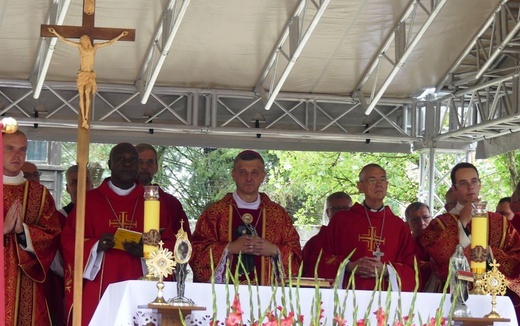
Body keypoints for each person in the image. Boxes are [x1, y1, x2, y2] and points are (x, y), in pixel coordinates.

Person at [60, 143, 176, 325]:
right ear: (109, 164)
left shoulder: (153, 201)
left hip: (141, 284)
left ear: (138, 166)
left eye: (132, 160)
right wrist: (96, 245)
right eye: (121, 159)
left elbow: (169, 245)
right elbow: (68, 240)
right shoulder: (89, 201)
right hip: (98, 287)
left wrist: (147, 252)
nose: (127, 164)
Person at [419, 162, 520, 318]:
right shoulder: (440, 224)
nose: (470, 187)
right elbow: (442, 262)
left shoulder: (500, 223)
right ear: (454, 189)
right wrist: (462, 223)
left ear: (479, 184)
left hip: (493, 302)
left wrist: (490, 254)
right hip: (452, 301)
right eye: (463, 183)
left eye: (474, 181)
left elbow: (516, 260)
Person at [190, 150, 302, 285]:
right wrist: (229, 248)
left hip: (267, 297)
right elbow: (196, 252)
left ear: (263, 176)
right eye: (243, 172)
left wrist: (274, 250)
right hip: (225, 297)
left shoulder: (278, 215)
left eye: (254, 172)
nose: (249, 178)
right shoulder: (216, 213)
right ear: (234, 175)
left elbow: (296, 255)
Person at [317, 164, 418, 291]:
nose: (379, 184)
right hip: (349, 294)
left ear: (387, 185)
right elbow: (322, 258)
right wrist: (349, 266)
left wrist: (387, 270)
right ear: (360, 186)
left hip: (385, 298)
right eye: (372, 180)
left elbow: (412, 267)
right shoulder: (341, 221)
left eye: (382, 180)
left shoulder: (399, 226)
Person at [3, 130, 61, 326]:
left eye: (22, 150)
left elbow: (52, 235)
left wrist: (23, 232)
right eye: (9, 148)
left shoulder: (39, 193)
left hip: (26, 283)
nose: (17, 155)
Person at [47, 27, 128, 129]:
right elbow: (66, 41)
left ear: (88, 40)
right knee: (81, 94)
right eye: (82, 41)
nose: (83, 42)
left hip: (89, 75)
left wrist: (120, 36)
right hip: (82, 74)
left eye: (84, 41)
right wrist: (55, 33)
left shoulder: (94, 47)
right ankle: (83, 118)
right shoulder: (80, 47)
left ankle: (86, 117)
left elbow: (109, 43)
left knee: (87, 93)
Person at [135, 143, 191, 238]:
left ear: (156, 168)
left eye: (150, 162)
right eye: (140, 162)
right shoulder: (121, 199)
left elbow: (184, 242)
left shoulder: (171, 204)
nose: (144, 167)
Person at [302, 191, 352, 277]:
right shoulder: (315, 242)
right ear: (327, 212)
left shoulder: (358, 237)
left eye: (346, 209)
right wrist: (346, 265)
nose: (341, 213)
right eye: (336, 208)